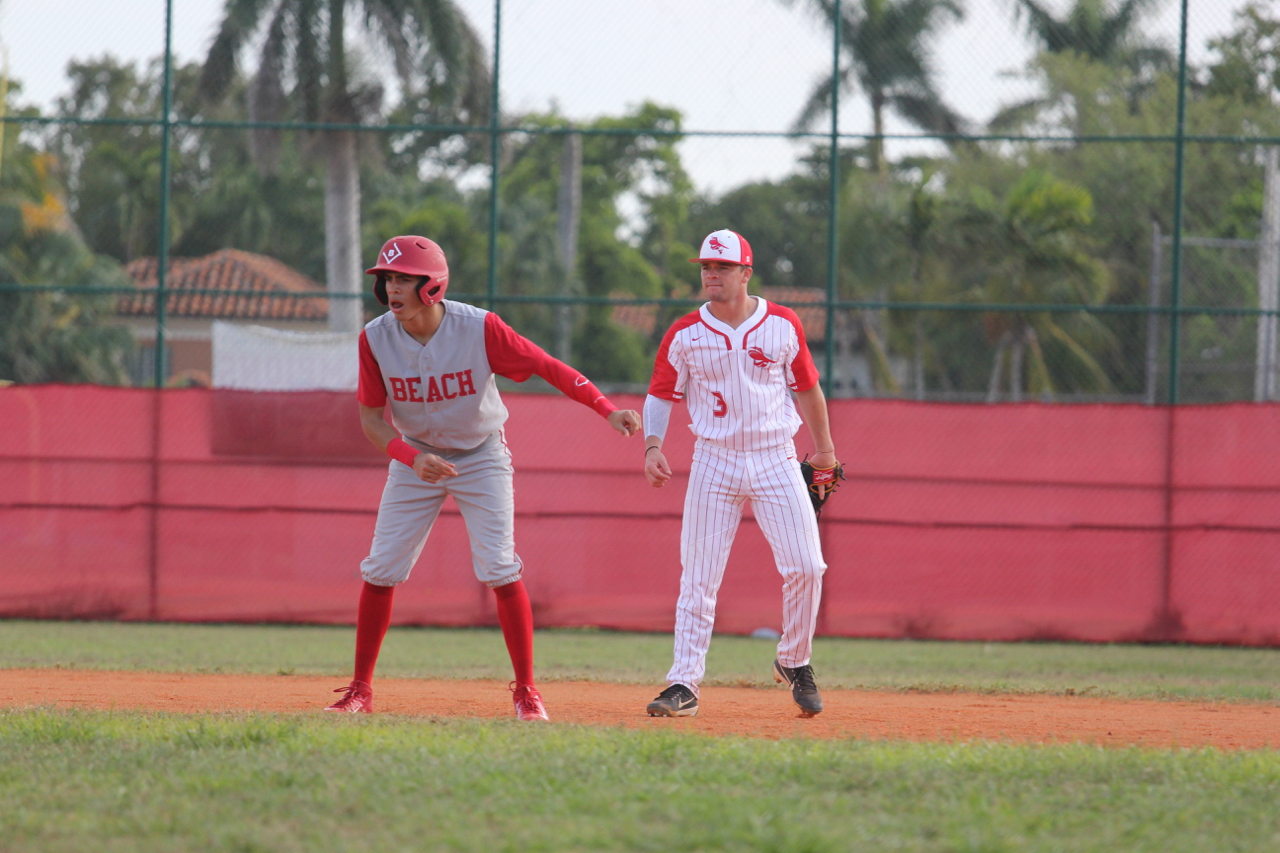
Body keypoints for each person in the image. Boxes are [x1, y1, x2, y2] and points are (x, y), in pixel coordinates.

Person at [325, 235, 641, 720]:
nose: (392, 288)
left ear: (431, 286)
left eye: (404, 278)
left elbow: (547, 368)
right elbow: (370, 420)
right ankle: (360, 691)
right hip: (417, 459)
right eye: (387, 278)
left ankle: (527, 692)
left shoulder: (478, 328)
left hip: (481, 454)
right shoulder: (375, 337)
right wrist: (410, 458)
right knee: (381, 567)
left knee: (498, 566)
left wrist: (606, 408)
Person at [641, 229, 837, 718]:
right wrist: (651, 446)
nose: (712, 274)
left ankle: (794, 660)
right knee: (699, 578)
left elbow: (808, 388)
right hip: (715, 458)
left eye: (723, 267)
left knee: (808, 566)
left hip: (776, 455)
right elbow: (661, 393)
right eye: (707, 266)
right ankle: (683, 684)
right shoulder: (685, 332)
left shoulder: (782, 324)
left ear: (746, 273)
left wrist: (826, 452)